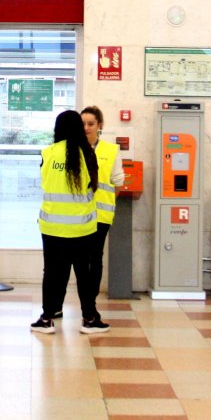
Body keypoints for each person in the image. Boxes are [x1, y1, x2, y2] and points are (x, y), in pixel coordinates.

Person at [31, 110, 110, 334]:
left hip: (52, 226)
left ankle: (47, 318)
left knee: (52, 273)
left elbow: (45, 182)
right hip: (82, 227)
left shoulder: (47, 153)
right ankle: (89, 318)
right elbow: (93, 188)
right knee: (84, 274)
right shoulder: (88, 154)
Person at [80, 105, 124, 308]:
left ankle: (91, 299)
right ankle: (84, 299)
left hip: (101, 216)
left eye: (91, 124)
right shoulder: (75, 149)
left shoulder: (111, 150)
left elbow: (117, 183)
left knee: (95, 257)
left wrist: (106, 203)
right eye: (83, 124)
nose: (86, 128)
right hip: (77, 215)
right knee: (80, 259)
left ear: (100, 126)